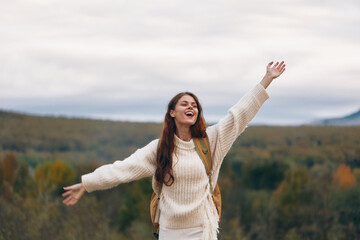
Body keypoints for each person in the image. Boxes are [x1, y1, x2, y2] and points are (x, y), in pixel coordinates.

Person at [62, 61, 286, 240]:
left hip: (202, 229)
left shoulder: (210, 140)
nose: (191, 107)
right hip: (170, 231)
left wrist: (266, 79)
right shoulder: (160, 149)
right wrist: (87, 183)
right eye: (184, 104)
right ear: (172, 112)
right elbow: (122, 169)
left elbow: (239, 115)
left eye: (195, 105)